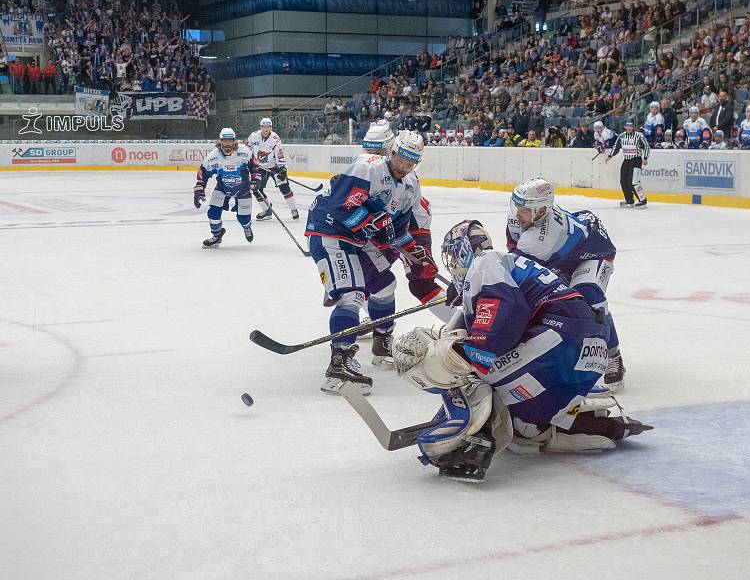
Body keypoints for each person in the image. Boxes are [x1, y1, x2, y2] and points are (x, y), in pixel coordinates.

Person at [391, 220, 652, 482]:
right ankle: (585, 425)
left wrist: (450, 354)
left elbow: (502, 319)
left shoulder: (485, 264)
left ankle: (473, 448)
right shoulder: (502, 265)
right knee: (520, 425)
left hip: (561, 341)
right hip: (586, 353)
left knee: (469, 369)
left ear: (463, 250)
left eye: (451, 256)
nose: (452, 264)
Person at [305, 131, 436, 395]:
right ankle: (338, 363)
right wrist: (372, 222)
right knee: (352, 295)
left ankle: (382, 342)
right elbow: (341, 207)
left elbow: (398, 230)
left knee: (386, 285)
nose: (404, 166)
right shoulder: (367, 167)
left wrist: (418, 256)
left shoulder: (411, 184)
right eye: (401, 158)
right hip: (330, 233)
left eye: (411, 162)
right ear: (392, 152)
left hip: (359, 241)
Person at [505, 178, 625, 392]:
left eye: (522, 210)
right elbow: (513, 250)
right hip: (563, 255)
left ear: (540, 211)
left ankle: (614, 355)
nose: (516, 214)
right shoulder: (523, 218)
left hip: (593, 253)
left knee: (591, 299)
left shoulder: (541, 239)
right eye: (516, 206)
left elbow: (515, 270)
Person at [193, 128, 256, 248]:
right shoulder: (213, 157)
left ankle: (247, 227)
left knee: (243, 219)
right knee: (213, 213)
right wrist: (199, 189)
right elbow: (203, 172)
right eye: (225, 140)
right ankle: (217, 236)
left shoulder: (245, 152)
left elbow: (254, 166)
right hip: (222, 188)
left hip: (243, 189)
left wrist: (256, 179)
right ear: (220, 141)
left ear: (234, 141)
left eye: (230, 140)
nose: (227, 143)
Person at [246, 117, 298, 221]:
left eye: (268, 127)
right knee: (256, 189)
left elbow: (279, 154)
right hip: (259, 168)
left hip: (274, 167)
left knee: (284, 188)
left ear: (271, 127)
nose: (266, 129)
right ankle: (267, 210)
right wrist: (246, 162)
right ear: (261, 127)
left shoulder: (275, 138)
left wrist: (282, 168)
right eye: (264, 126)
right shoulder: (253, 136)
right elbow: (247, 149)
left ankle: (294, 209)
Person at [606, 119, 649, 208]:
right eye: (627, 126)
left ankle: (642, 200)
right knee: (623, 181)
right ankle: (629, 200)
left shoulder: (639, 136)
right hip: (626, 160)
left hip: (636, 159)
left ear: (633, 127)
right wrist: (610, 156)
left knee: (633, 181)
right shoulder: (621, 136)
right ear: (625, 127)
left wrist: (645, 158)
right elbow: (616, 147)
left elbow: (646, 147)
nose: (629, 128)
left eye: (631, 126)